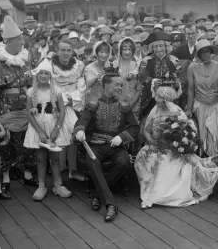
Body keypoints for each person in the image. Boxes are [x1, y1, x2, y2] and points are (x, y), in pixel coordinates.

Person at [74, 62, 139, 222]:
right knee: (92, 161)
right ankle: (110, 205)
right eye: (117, 85)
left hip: (115, 145)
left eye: (121, 85)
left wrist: (122, 137)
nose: (120, 88)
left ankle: (98, 195)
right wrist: (80, 130)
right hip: (96, 145)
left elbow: (134, 128)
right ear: (106, 85)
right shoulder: (93, 104)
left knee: (124, 163)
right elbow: (83, 120)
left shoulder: (124, 106)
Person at [135, 86, 218, 208]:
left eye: (160, 97)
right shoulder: (154, 110)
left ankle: (165, 194)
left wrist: (177, 145)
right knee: (143, 156)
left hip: (173, 149)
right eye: (157, 96)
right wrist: (152, 141)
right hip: (156, 146)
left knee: (167, 162)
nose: (156, 98)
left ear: (167, 100)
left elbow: (185, 132)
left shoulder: (176, 112)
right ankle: (151, 190)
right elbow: (146, 131)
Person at [0, 15, 36, 194]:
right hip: (6, 108)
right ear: (8, 41)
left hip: (25, 106)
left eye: (22, 39)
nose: (22, 42)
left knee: (28, 141)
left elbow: (32, 83)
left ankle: (28, 174)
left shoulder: (26, 60)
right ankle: (6, 177)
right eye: (19, 39)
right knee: (7, 143)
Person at [24, 59, 73, 200]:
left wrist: (57, 128)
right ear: (37, 75)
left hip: (53, 125)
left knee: (55, 157)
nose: (44, 76)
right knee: (40, 157)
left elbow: (62, 111)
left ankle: (58, 185)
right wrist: (39, 131)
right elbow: (29, 113)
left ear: (50, 76)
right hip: (38, 126)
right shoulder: (31, 91)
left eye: (47, 73)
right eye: (41, 73)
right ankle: (41, 185)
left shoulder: (57, 91)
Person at [51, 42, 86, 181]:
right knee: (57, 137)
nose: (66, 53)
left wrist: (70, 99)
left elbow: (81, 88)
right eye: (63, 50)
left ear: (72, 51)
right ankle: (58, 173)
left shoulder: (79, 66)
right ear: (57, 50)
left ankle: (72, 170)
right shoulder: (49, 66)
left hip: (73, 106)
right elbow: (51, 87)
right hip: (55, 106)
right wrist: (62, 102)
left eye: (68, 50)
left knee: (73, 136)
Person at [186, 39, 218, 157]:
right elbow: (190, 89)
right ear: (198, 54)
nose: (206, 54)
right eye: (203, 52)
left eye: (208, 51)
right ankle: (204, 163)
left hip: (216, 105)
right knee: (202, 138)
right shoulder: (192, 67)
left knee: (217, 137)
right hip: (200, 105)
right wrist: (189, 107)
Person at [115, 37, 143, 122]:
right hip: (117, 102)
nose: (127, 52)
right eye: (124, 49)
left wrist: (131, 104)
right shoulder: (114, 65)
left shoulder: (137, 65)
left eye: (130, 49)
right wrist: (121, 102)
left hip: (134, 104)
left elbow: (139, 89)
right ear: (120, 50)